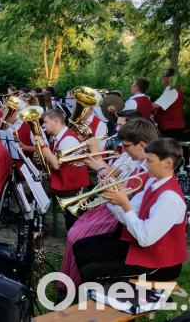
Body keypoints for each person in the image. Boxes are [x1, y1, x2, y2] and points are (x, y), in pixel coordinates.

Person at [73, 138, 186, 284]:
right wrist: (113, 198)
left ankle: (102, 303)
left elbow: (145, 238)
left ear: (168, 163)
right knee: (81, 248)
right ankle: (89, 300)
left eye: (150, 161)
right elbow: (132, 212)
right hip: (143, 248)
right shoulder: (154, 181)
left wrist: (124, 205)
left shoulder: (170, 198)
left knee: (90, 270)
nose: (146, 165)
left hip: (160, 263)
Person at [60, 118, 157, 287]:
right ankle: (72, 285)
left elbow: (128, 199)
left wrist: (99, 163)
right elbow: (120, 186)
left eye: (126, 146)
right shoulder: (136, 160)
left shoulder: (146, 168)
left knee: (77, 235)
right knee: (76, 234)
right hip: (117, 211)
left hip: (122, 220)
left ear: (141, 145)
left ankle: (79, 287)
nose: (124, 149)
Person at [37, 109, 91, 229]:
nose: (43, 125)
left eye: (45, 122)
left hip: (69, 184)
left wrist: (42, 146)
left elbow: (56, 164)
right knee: (36, 185)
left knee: (35, 189)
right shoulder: (61, 136)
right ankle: (38, 221)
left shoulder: (68, 140)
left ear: (55, 121)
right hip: (63, 179)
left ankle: (38, 223)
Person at [153, 68, 186, 140]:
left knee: (168, 150)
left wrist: (144, 104)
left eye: (163, 76)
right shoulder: (170, 89)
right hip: (171, 128)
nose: (162, 78)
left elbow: (155, 106)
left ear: (171, 78)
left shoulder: (172, 91)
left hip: (172, 129)